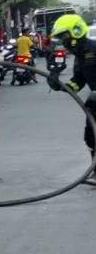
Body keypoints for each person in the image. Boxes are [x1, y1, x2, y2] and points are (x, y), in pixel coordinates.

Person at [46, 13, 96, 181]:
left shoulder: (94, 48)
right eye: (61, 38)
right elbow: (79, 81)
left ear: (76, 31)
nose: (64, 41)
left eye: (64, 36)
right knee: (91, 136)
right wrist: (59, 85)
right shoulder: (79, 56)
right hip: (95, 101)